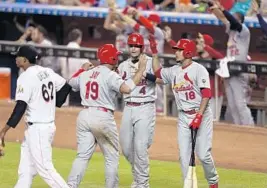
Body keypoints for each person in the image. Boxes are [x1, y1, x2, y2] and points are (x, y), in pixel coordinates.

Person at [67, 44, 147, 188]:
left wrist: (82, 69)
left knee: (82, 156)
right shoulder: (110, 75)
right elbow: (127, 88)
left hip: (84, 115)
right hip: (102, 117)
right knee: (111, 157)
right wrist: (141, 70)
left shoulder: (87, 73)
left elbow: (71, 82)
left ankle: (71, 185)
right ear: (112, 58)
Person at [149, 35, 219, 188]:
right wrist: (154, 53)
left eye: (179, 50)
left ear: (187, 52)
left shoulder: (199, 70)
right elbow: (157, 74)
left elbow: (207, 95)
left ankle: (213, 181)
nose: (176, 53)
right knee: (184, 156)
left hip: (202, 114)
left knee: (203, 154)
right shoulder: (174, 71)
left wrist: (199, 116)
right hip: (183, 117)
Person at [0, 45, 72, 188]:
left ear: (25, 60)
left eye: (18, 56)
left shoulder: (25, 77)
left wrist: (4, 129)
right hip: (41, 128)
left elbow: (20, 107)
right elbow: (65, 87)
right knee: (25, 171)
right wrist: (53, 103)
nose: (15, 58)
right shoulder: (47, 71)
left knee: (46, 169)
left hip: (39, 129)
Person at [117, 33, 162, 188]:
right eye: (131, 45)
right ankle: (138, 177)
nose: (134, 48)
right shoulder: (123, 65)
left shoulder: (150, 62)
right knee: (127, 148)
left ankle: (143, 183)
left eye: (137, 45)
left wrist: (147, 73)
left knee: (140, 147)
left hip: (145, 106)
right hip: (128, 108)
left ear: (142, 47)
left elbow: (162, 79)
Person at [208, 0, 255, 125]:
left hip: (240, 69)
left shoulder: (244, 30)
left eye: (235, 17)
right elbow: (223, 18)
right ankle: (238, 128)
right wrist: (212, 5)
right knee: (232, 105)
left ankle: (249, 127)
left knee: (240, 104)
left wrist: (223, 9)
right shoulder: (231, 29)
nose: (231, 19)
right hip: (229, 68)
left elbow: (231, 20)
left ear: (240, 20)